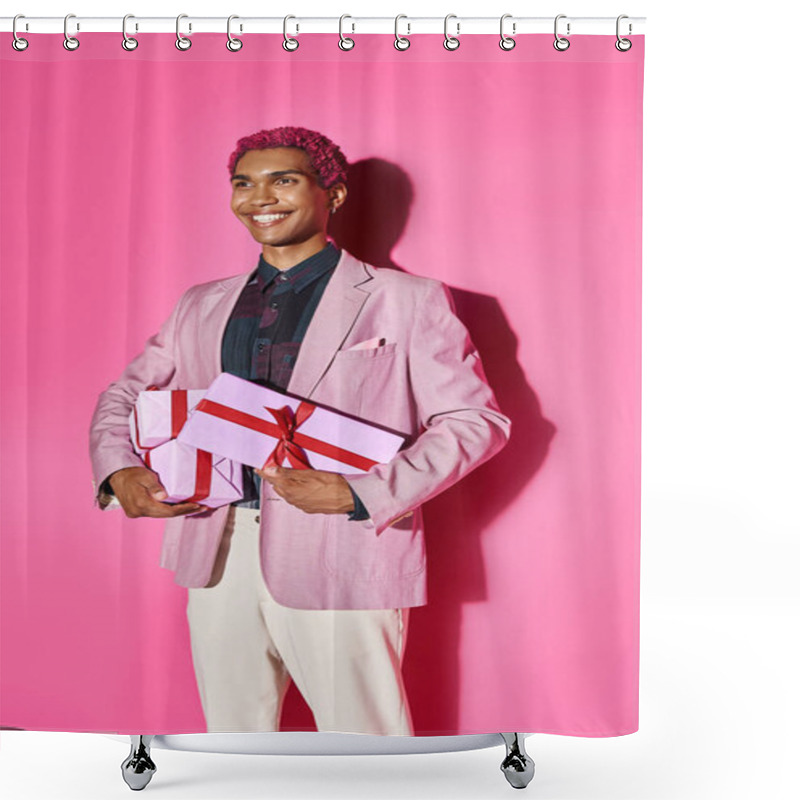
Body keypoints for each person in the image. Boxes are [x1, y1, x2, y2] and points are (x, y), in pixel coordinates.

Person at [89, 126, 511, 736]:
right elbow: (125, 393)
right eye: (243, 183)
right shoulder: (200, 303)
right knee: (233, 747)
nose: (260, 197)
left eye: (283, 179)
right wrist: (118, 468)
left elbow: (476, 420)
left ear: (332, 194)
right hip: (215, 545)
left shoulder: (408, 300)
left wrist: (360, 493)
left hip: (342, 547)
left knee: (368, 751)